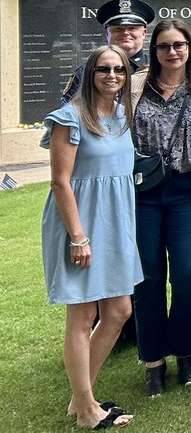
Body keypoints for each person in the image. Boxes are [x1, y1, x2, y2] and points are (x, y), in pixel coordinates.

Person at [42, 45, 141, 430]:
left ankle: (80, 397)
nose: (112, 75)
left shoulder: (121, 115)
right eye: (103, 69)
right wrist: (78, 237)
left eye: (119, 69)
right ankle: (87, 411)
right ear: (89, 73)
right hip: (79, 225)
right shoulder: (69, 117)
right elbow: (60, 182)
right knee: (83, 316)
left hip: (115, 222)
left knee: (118, 312)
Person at [130, 19, 191, 397]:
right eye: (165, 46)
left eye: (179, 45)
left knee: (187, 276)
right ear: (154, 50)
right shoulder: (135, 86)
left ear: (189, 47)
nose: (172, 52)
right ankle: (153, 362)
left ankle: (185, 352)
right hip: (143, 192)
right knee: (146, 280)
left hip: (186, 193)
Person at [62, 0, 155, 104]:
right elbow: (68, 111)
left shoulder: (158, 68)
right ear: (107, 34)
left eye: (132, 28)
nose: (125, 33)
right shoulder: (86, 71)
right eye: (118, 29)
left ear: (144, 33)